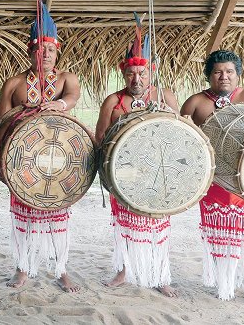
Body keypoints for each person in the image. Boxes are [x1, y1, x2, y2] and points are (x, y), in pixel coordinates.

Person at [181, 49, 244, 309]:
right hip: (213, 183)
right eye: (217, 72)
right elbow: (181, 141)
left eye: (229, 72)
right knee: (223, 237)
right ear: (208, 75)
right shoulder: (195, 103)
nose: (223, 77)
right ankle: (227, 284)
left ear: (238, 75)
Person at [0, 3, 82, 292]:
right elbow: (0, 126)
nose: (45, 55)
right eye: (40, 49)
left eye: (51, 50)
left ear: (57, 53)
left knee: (58, 216)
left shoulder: (66, 78)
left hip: (59, 159)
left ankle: (61, 269)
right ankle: (22, 268)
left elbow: (71, 97)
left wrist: (57, 104)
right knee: (24, 217)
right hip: (23, 162)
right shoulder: (14, 83)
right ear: (31, 51)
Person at [94, 28, 179, 297]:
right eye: (131, 73)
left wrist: (169, 115)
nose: (136, 78)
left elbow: (182, 133)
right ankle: (124, 271)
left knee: (157, 224)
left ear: (151, 72)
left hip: (158, 173)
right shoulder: (114, 101)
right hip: (125, 174)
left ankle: (160, 275)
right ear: (123, 74)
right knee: (126, 223)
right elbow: (100, 138)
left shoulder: (164, 96)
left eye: (142, 73)